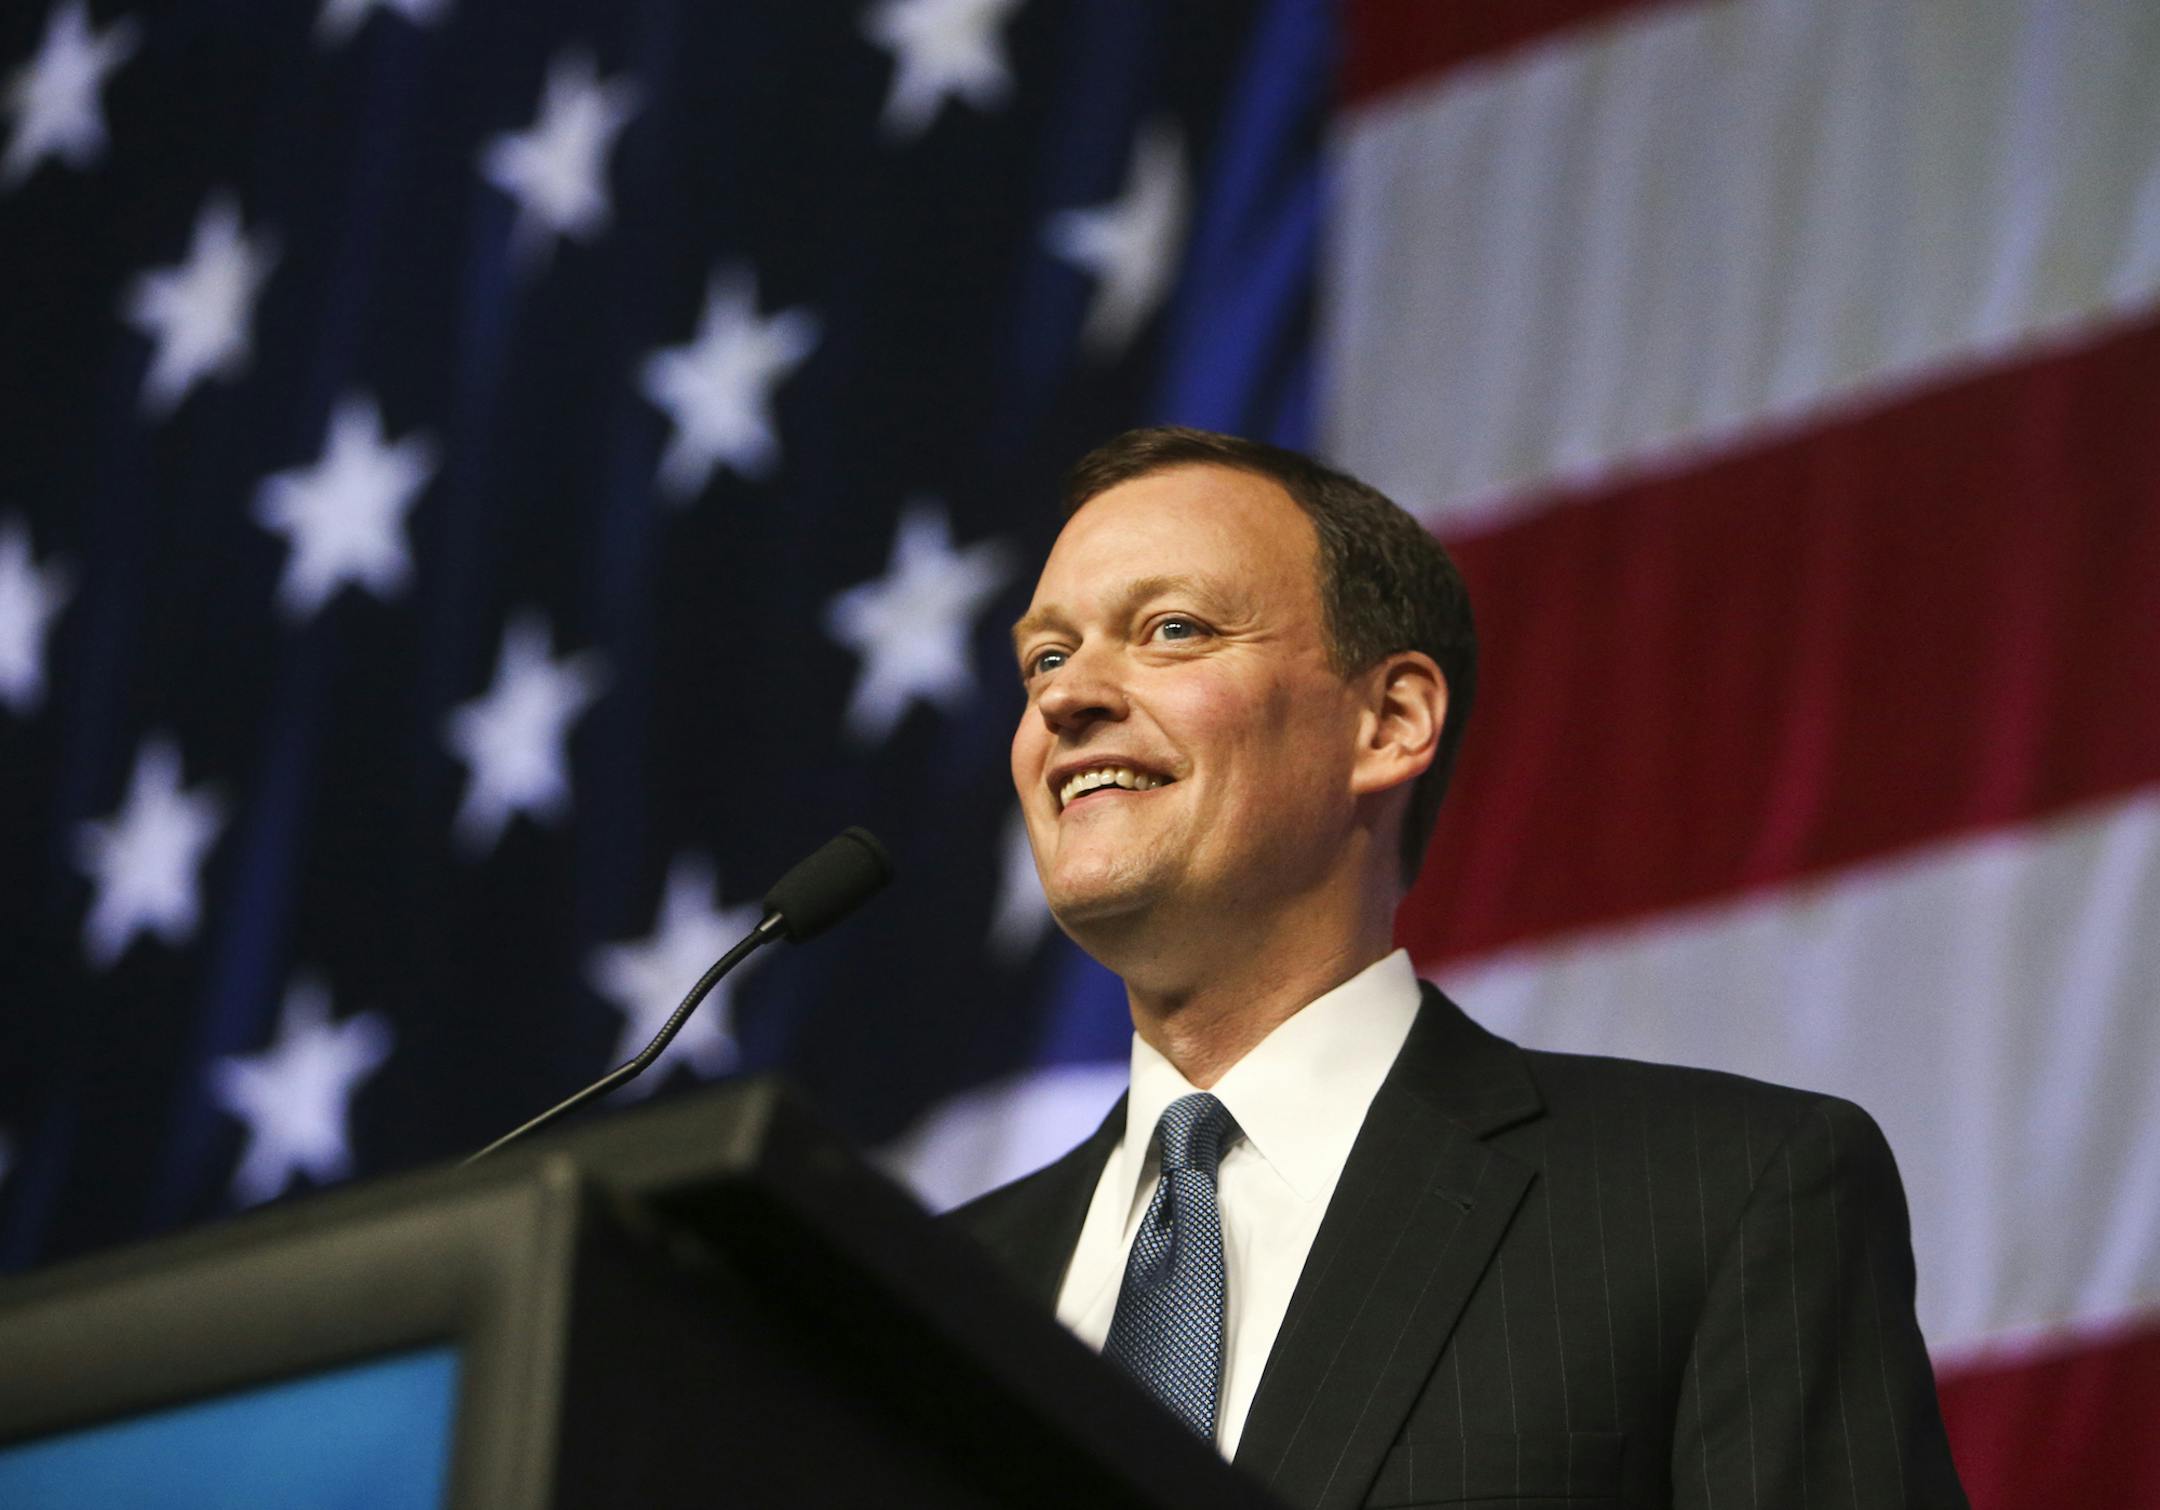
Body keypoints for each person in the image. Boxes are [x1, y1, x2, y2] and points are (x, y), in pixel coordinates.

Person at [953, 427, 1968, 1508]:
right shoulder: (934, 1292)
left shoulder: (1720, 1201)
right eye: (1046, 658)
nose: (1066, 699)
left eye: (1172, 629)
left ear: (1388, 722)